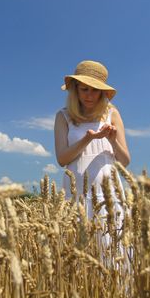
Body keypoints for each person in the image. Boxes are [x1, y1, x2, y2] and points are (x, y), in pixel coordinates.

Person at [54, 60, 130, 219]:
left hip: (109, 193)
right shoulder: (63, 116)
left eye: (95, 90)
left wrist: (112, 140)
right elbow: (62, 159)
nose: (89, 95)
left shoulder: (112, 114)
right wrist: (87, 139)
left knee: (110, 241)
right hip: (76, 192)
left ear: (102, 92)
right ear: (75, 90)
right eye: (84, 89)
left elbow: (125, 161)